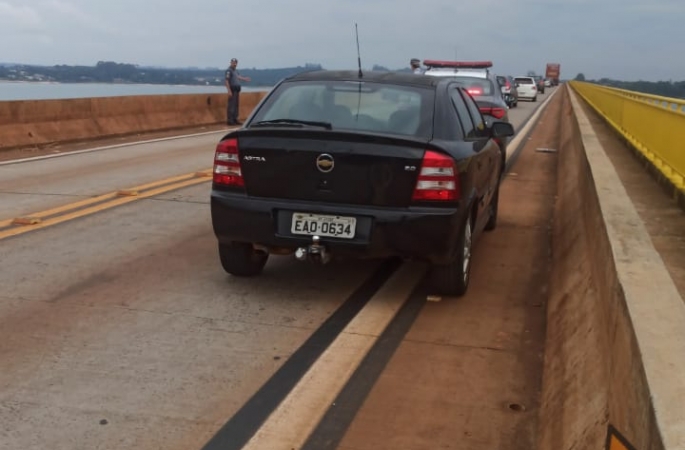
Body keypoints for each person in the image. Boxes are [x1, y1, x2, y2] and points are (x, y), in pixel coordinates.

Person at [225, 58, 251, 125]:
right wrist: (229, 91)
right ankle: (230, 120)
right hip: (232, 90)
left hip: (237, 90)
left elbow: (238, 77)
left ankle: (235, 119)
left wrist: (245, 79)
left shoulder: (236, 71)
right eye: (233, 62)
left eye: (235, 63)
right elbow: (227, 81)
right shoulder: (229, 71)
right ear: (230, 63)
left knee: (236, 105)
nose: (234, 64)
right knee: (231, 106)